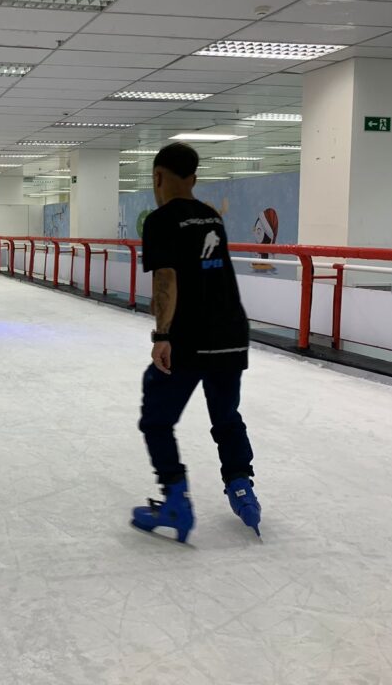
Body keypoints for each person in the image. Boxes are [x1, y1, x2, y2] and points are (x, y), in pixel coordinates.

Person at [130, 143, 260, 542]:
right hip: (231, 335)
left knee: (156, 418)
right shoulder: (211, 216)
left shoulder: (160, 220)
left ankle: (175, 500)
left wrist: (162, 335)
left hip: (189, 337)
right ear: (195, 179)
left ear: (157, 177)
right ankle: (241, 484)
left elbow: (166, 278)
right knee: (226, 416)